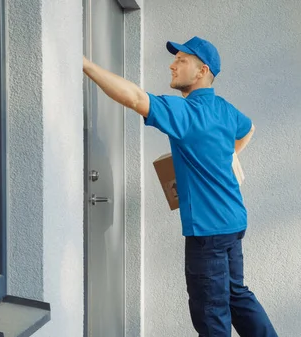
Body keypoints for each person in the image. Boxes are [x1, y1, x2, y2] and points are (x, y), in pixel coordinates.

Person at [82, 36, 278, 337]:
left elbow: (134, 97)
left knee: (211, 313)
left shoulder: (185, 113)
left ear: (202, 71)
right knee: (237, 296)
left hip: (208, 233)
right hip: (233, 222)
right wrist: (229, 157)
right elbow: (248, 128)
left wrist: (83, 64)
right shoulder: (224, 109)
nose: (172, 65)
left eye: (181, 60)